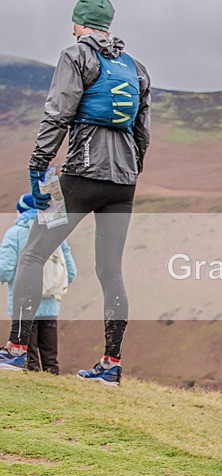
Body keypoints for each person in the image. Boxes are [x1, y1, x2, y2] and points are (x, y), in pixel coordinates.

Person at [0, 0, 150, 386]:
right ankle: (111, 364)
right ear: (108, 25)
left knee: (33, 253)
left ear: (77, 23)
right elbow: (142, 133)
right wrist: (131, 172)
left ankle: (15, 351)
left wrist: (38, 165)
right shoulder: (136, 67)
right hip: (123, 184)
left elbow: (58, 113)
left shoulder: (75, 55)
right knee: (110, 271)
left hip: (80, 178)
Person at [0, 195, 77, 373]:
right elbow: (70, 274)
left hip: (22, 305)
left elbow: (5, 270)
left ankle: (32, 387)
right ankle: (56, 390)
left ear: (22, 210)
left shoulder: (16, 233)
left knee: (28, 356)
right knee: (50, 358)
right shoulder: (57, 234)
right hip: (50, 306)